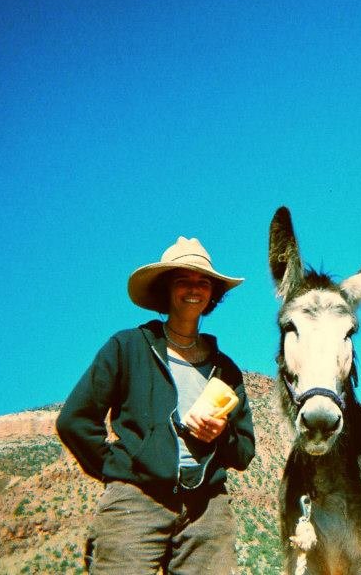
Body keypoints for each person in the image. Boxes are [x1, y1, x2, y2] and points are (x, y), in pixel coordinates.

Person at [56, 236, 255, 574]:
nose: (194, 287)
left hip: (207, 511)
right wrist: (120, 468)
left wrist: (221, 435)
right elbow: (74, 420)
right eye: (183, 280)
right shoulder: (127, 347)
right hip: (135, 503)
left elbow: (244, 451)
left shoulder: (226, 368)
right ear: (166, 289)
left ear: (212, 294)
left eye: (203, 281)